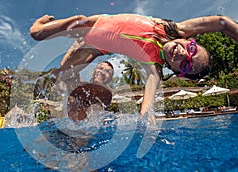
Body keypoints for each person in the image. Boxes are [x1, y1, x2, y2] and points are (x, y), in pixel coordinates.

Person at [30, 14, 238, 122]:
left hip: (95, 48)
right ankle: (60, 66)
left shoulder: (154, 68)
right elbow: (222, 23)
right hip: (93, 22)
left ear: (176, 72)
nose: (184, 54)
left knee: (67, 76)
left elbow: (147, 106)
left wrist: (149, 120)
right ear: (189, 39)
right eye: (191, 48)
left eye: (187, 65)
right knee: (37, 33)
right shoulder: (175, 29)